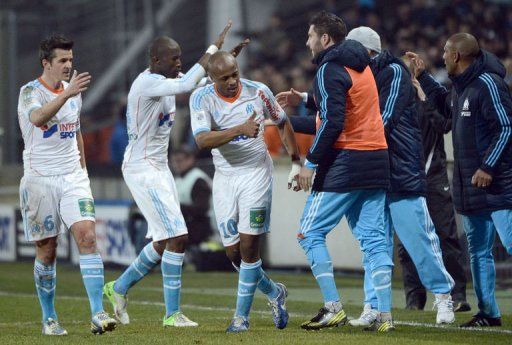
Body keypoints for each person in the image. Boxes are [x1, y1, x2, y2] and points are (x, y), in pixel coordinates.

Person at [102, 21, 233, 328]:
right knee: (178, 236)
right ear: (155, 61)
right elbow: (189, 84)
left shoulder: (167, 82)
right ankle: (172, 314)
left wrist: (221, 67)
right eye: (173, 58)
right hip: (141, 169)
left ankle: (118, 288)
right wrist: (212, 49)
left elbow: (195, 84)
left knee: (164, 241)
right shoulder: (146, 83)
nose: (179, 62)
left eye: (180, 57)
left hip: (160, 169)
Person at [278, 11, 394, 332]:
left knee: (309, 232)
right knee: (374, 241)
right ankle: (384, 315)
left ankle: (333, 308)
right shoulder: (363, 66)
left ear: (325, 39)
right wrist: (304, 98)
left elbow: (332, 121)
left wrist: (309, 164)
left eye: (311, 35)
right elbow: (343, 103)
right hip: (376, 160)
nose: (307, 41)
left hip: (345, 162)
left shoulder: (329, 67)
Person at [346, 26, 455, 326]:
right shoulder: (361, 77)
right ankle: (373, 306)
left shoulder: (393, 72)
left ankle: (444, 296)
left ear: (367, 51)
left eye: (352, 51)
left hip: (402, 170)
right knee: (375, 244)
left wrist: (353, 142)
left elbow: (386, 117)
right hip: (376, 171)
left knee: (419, 238)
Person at [189, 51, 301, 333]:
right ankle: (275, 292)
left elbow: (283, 122)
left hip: (256, 173)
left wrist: (296, 162)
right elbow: (202, 140)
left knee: (250, 247)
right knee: (234, 254)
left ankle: (241, 318)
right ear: (212, 78)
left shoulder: (259, 92)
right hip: (225, 177)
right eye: (224, 77)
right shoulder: (201, 98)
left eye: (234, 74)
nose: (231, 81)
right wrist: (240, 128)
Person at [407, 33, 512, 327]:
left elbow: (506, 128)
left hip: (499, 185)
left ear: (456, 56)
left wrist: (488, 167)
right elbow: (446, 107)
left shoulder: (489, 85)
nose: (441, 56)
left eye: (444, 52)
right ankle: (489, 313)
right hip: (472, 186)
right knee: (478, 253)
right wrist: (424, 77)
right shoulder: (461, 87)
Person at [17, 34, 117, 335]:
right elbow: (37, 118)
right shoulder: (29, 92)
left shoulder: (73, 92)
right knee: (47, 250)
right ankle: (49, 317)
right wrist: (66, 94)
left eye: (71, 60)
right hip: (40, 179)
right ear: (46, 63)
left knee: (87, 237)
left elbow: (75, 132)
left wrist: (83, 171)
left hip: (73, 176)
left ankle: (98, 313)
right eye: (62, 60)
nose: (68, 65)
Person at [398, 55, 471, 313]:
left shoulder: (425, 97)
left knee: (445, 235)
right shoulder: (393, 101)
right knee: (407, 241)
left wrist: (424, 97)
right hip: (405, 178)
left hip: (433, 175)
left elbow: (444, 124)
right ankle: (414, 299)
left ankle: (458, 294)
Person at [171, 146, 214, 247]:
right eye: (174, 161)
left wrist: (175, 207)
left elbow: (202, 209)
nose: (176, 164)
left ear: (190, 159)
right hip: (184, 224)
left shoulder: (198, 179)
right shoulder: (177, 179)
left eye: (179, 160)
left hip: (200, 226)